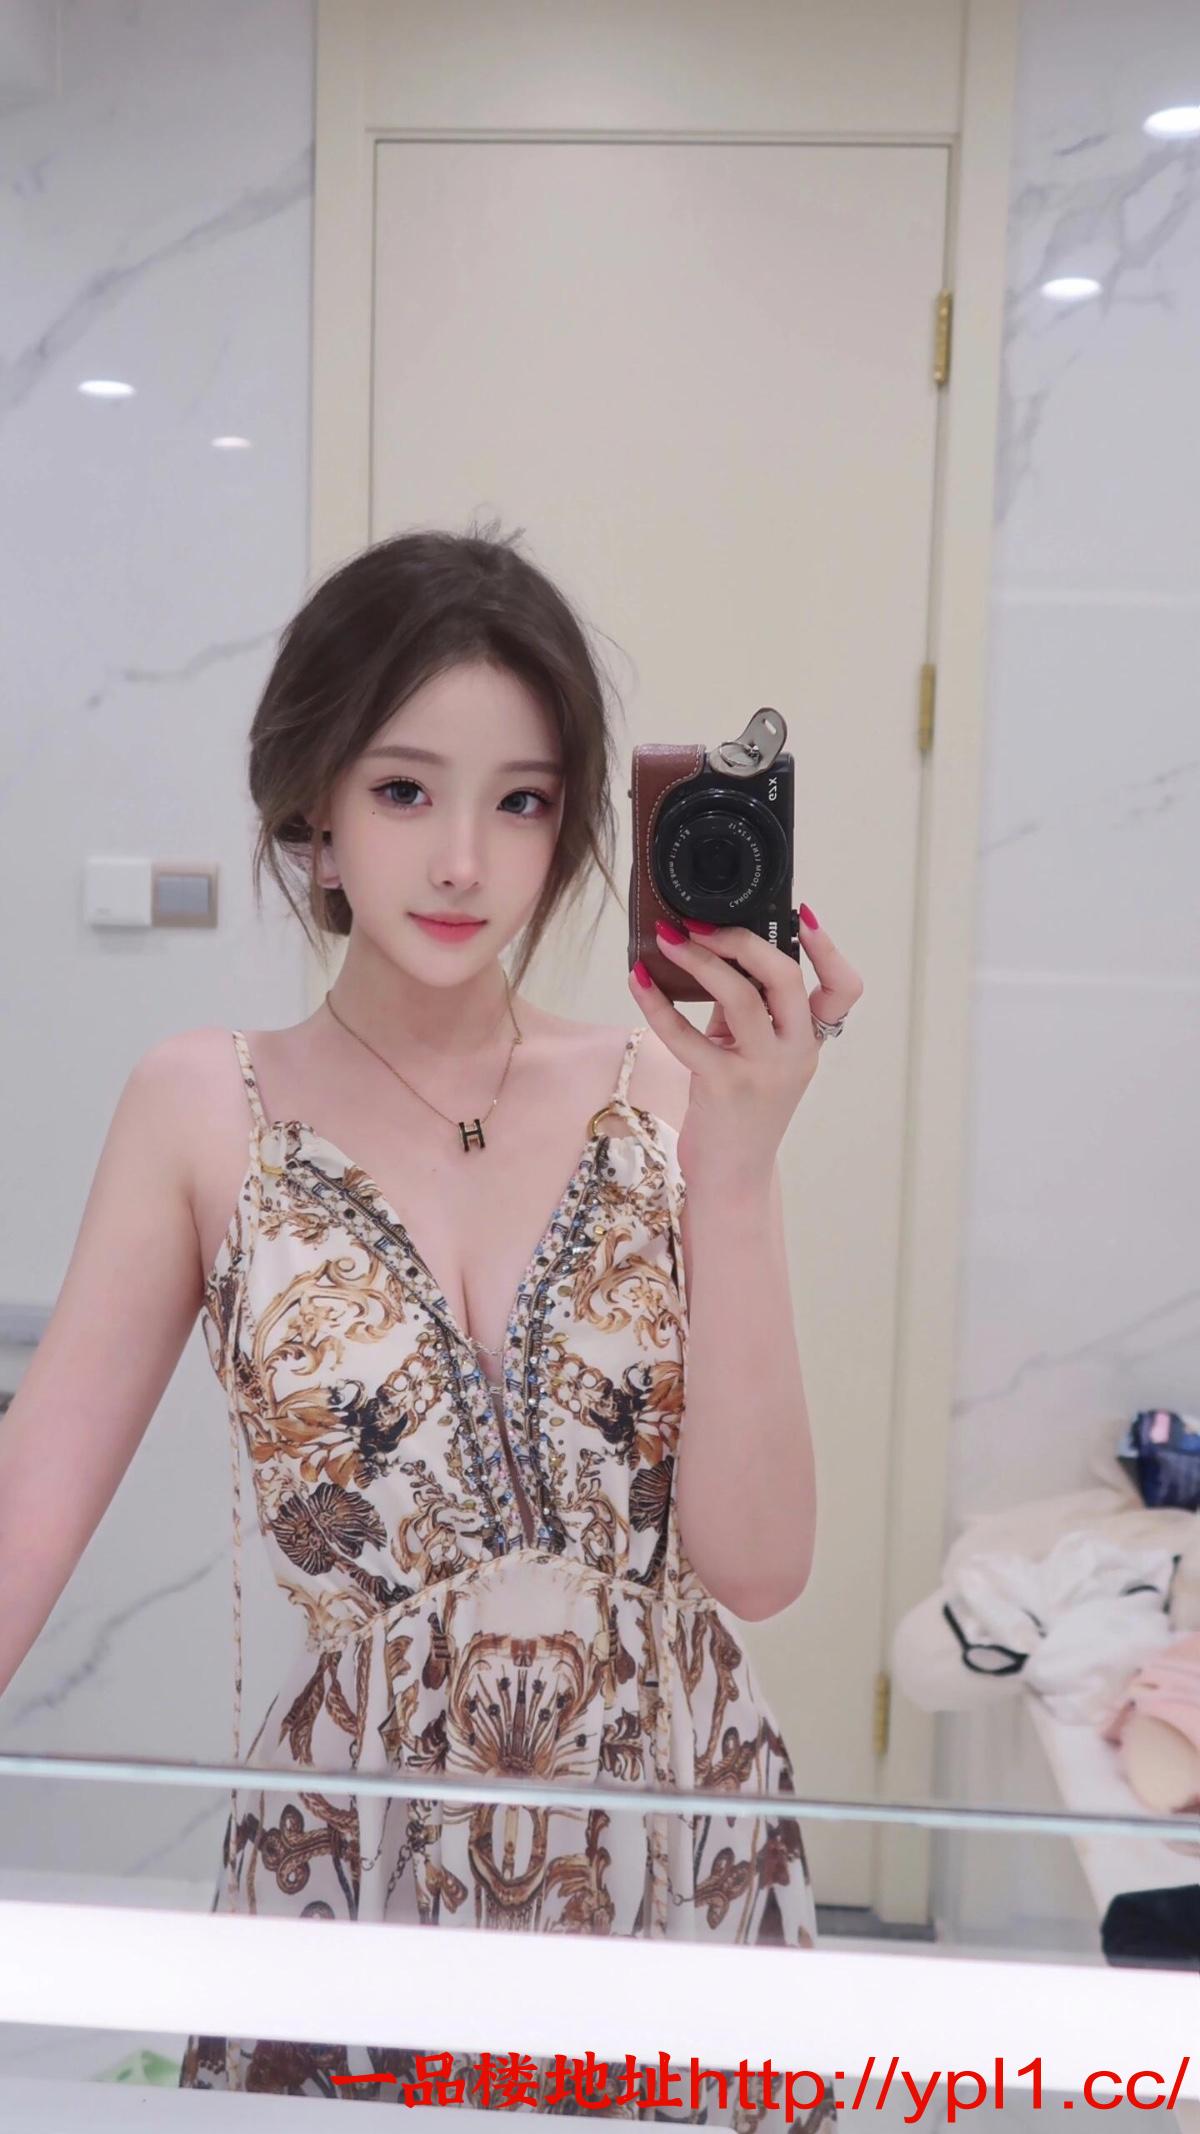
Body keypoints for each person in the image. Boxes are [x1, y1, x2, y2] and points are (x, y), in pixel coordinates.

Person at [0, 526, 862, 2116]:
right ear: (314, 808)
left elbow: (756, 1564)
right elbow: (23, 1514)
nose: (464, 860)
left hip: (672, 1854)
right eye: (406, 790)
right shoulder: (204, 1107)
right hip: (357, 1873)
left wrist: (739, 1161)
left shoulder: (666, 1092)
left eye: (521, 800)